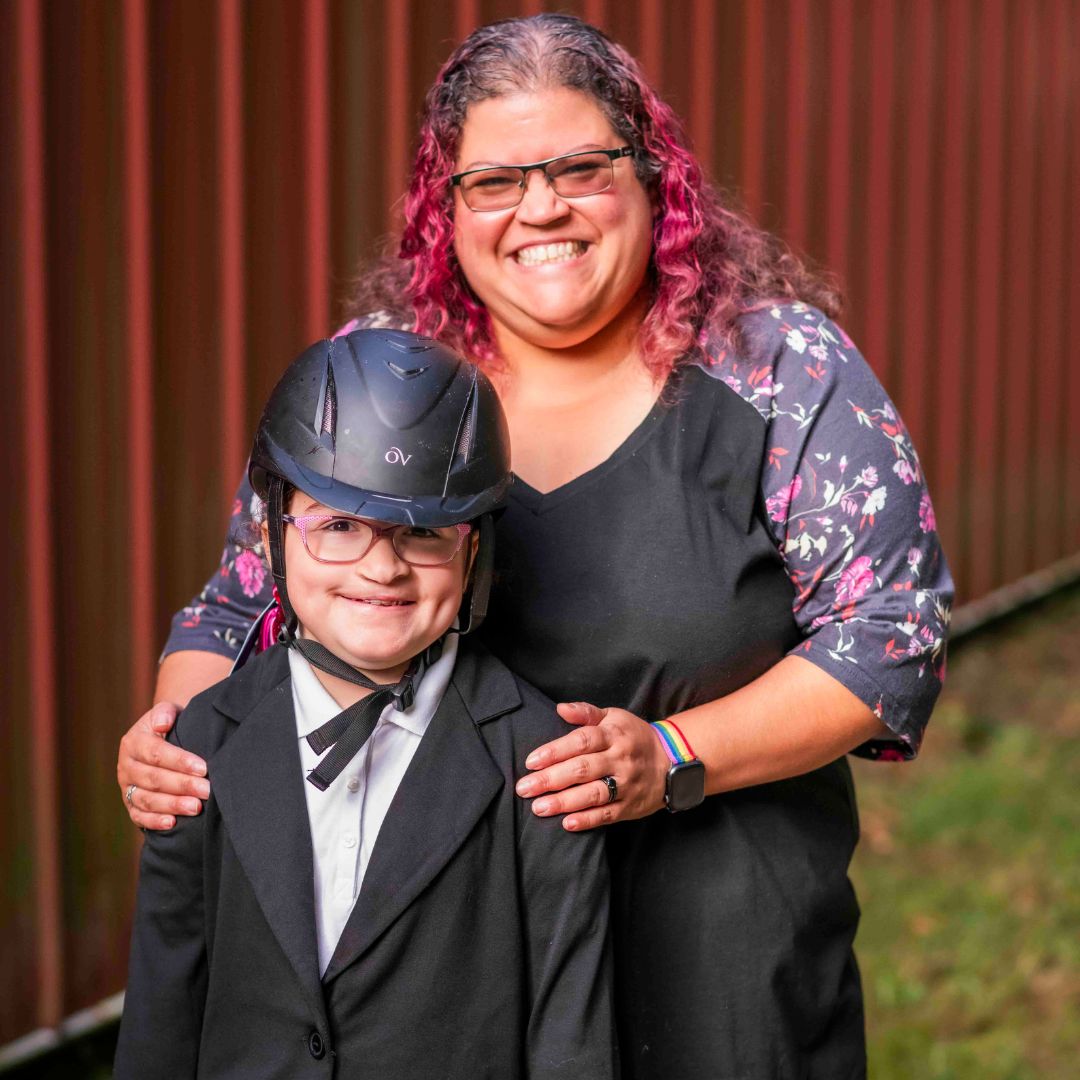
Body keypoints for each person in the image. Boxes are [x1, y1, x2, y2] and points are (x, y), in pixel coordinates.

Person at [117, 13, 952, 1078]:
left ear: (656, 180)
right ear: (446, 208)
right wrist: (172, 739)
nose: (540, 208)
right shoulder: (383, 381)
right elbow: (238, 609)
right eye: (494, 181)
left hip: (714, 958)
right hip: (440, 988)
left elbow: (889, 640)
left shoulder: (776, 368)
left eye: (581, 168)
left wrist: (671, 757)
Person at [114, 330, 616, 1080]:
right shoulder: (198, 745)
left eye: (423, 534)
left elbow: (571, 1040)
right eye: (338, 527)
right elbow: (161, 1015)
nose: (381, 567)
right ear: (271, 535)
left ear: (474, 551)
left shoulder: (543, 764)